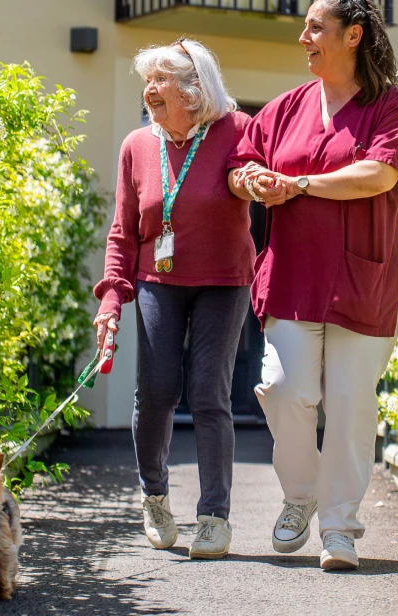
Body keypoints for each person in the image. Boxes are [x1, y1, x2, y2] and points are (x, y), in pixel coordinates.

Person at [227, 0, 398, 570]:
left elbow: (379, 174)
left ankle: (339, 527)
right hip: (291, 277)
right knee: (284, 390)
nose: (304, 38)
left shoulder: (392, 107)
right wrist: (253, 184)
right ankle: (300, 497)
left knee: (348, 405)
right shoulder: (285, 108)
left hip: (363, 281)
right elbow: (241, 168)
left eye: (315, 28)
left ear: (353, 35)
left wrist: (302, 184)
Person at [94, 38, 254, 559]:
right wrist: (111, 301)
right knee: (158, 390)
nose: (150, 90)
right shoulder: (137, 145)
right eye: (148, 80)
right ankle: (155, 496)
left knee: (210, 392)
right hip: (156, 280)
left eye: (161, 80)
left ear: (194, 87)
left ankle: (214, 516)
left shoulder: (237, 130)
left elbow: (257, 176)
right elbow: (122, 233)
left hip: (223, 280)